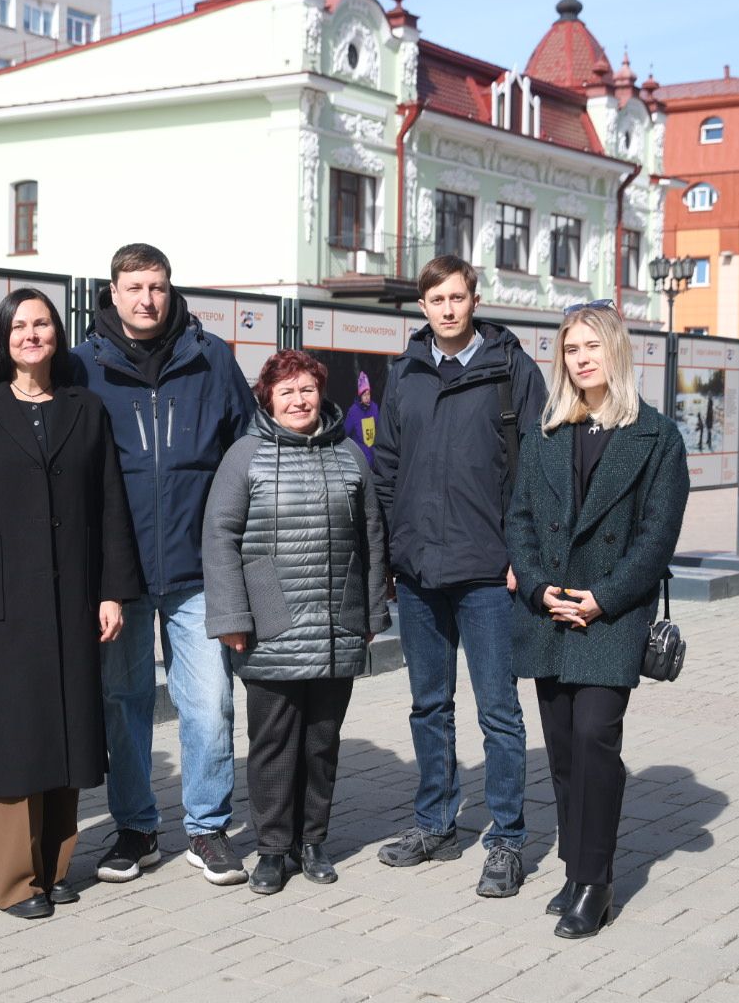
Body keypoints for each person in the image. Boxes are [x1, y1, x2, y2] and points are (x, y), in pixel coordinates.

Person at [0, 289, 142, 919]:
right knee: (12, 737)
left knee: (67, 729)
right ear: (3, 337)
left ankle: (53, 868)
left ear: (57, 334)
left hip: (72, 595)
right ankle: (15, 881)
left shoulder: (85, 408)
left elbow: (110, 504)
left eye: (42, 323)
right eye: (20, 325)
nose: (32, 334)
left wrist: (112, 590)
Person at [66, 243, 258, 886]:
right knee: (123, 705)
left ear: (170, 290)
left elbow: (245, 452)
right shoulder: (82, 365)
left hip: (198, 566)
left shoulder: (211, 358)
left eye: (157, 286)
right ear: (113, 293)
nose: (147, 299)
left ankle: (207, 828)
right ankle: (136, 829)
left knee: (209, 703)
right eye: (135, 287)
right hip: (117, 572)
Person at [504, 302, 689, 940]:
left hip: (611, 616)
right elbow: (519, 521)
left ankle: (596, 882)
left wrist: (602, 598)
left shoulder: (657, 437)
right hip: (551, 614)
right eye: (571, 348)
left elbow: (656, 539)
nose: (582, 359)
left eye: (592, 346)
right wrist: (537, 589)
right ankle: (573, 869)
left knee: (594, 742)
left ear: (616, 350)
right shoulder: (547, 432)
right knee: (562, 751)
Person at [370, 254, 547, 899]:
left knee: (499, 712)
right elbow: (386, 469)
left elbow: (537, 471)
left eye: (457, 297)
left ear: (474, 300)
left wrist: (522, 558)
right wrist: (391, 555)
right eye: (436, 299)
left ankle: (506, 840)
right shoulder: (405, 372)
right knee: (429, 705)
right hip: (419, 570)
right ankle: (435, 824)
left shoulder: (512, 370)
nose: (447, 309)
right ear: (422, 307)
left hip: (488, 572)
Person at [202, 350, 389, 895]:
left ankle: (313, 842)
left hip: (336, 622)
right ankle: (271, 848)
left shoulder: (349, 455)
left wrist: (372, 609)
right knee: (273, 744)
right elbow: (220, 537)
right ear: (268, 399)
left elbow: (372, 535)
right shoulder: (245, 455)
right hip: (269, 625)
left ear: (321, 393)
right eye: (286, 391)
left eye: (307, 389)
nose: (299, 400)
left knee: (321, 742)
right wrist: (232, 616)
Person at [343, 371, 381, 467]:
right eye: (364, 395)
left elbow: (379, 428)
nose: (367, 397)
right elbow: (345, 433)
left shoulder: (374, 408)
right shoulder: (353, 411)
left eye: (368, 394)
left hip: (374, 456)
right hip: (360, 458)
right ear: (360, 396)